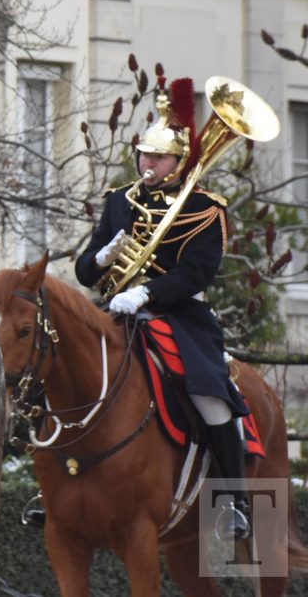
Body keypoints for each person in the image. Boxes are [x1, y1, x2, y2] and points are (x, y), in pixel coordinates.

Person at [74, 77, 251, 541]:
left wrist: (147, 294)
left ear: (177, 163)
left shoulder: (204, 208)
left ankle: (237, 502)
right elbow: (85, 273)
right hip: (114, 309)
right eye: (143, 156)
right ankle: (55, 487)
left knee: (211, 396)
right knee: (61, 370)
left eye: (157, 158)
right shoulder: (119, 202)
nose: (147, 164)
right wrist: (102, 257)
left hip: (179, 315)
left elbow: (196, 274)